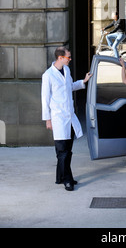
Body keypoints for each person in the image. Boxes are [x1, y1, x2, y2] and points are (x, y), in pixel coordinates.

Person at [41, 47, 92, 191]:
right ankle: (67, 180)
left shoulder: (66, 70)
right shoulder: (48, 75)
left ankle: (60, 177)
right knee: (62, 151)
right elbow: (44, 99)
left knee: (67, 150)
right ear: (60, 58)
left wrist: (84, 81)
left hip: (69, 116)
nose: (70, 59)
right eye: (68, 57)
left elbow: (70, 86)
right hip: (57, 117)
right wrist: (48, 119)